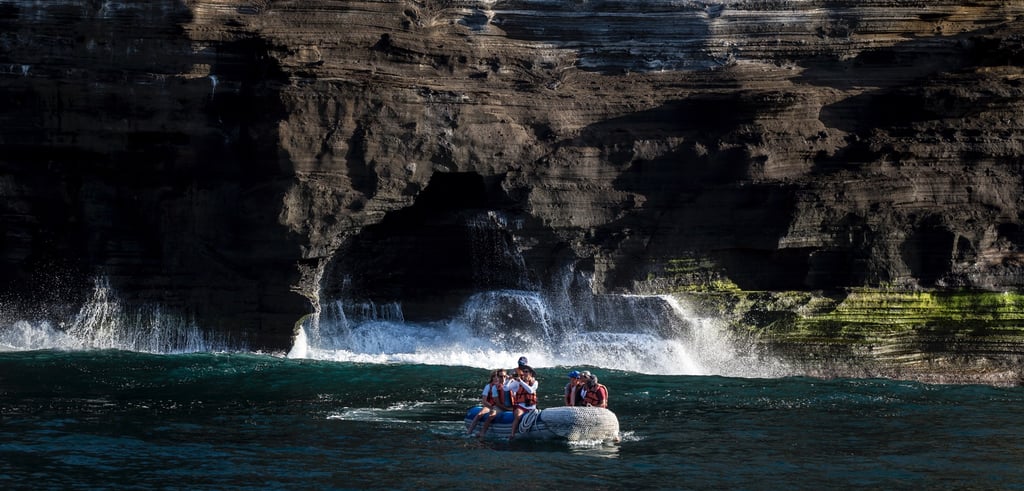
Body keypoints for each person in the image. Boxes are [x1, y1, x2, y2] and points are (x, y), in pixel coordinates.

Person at [467, 369, 510, 437]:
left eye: (497, 376)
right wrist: (492, 407)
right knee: (480, 414)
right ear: (492, 378)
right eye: (494, 376)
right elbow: (484, 401)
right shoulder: (490, 387)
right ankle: (471, 430)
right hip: (490, 405)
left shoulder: (508, 384)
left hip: (501, 405)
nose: (496, 378)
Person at [506, 364, 538, 441]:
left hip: (531, 407)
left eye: (526, 372)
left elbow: (530, 390)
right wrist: (509, 380)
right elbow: (506, 388)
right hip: (521, 406)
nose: (524, 373)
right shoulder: (518, 383)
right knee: (518, 415)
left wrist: (521, 381)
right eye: (523, 372)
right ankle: (512, 434)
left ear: (530, 374)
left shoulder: (535, 382)